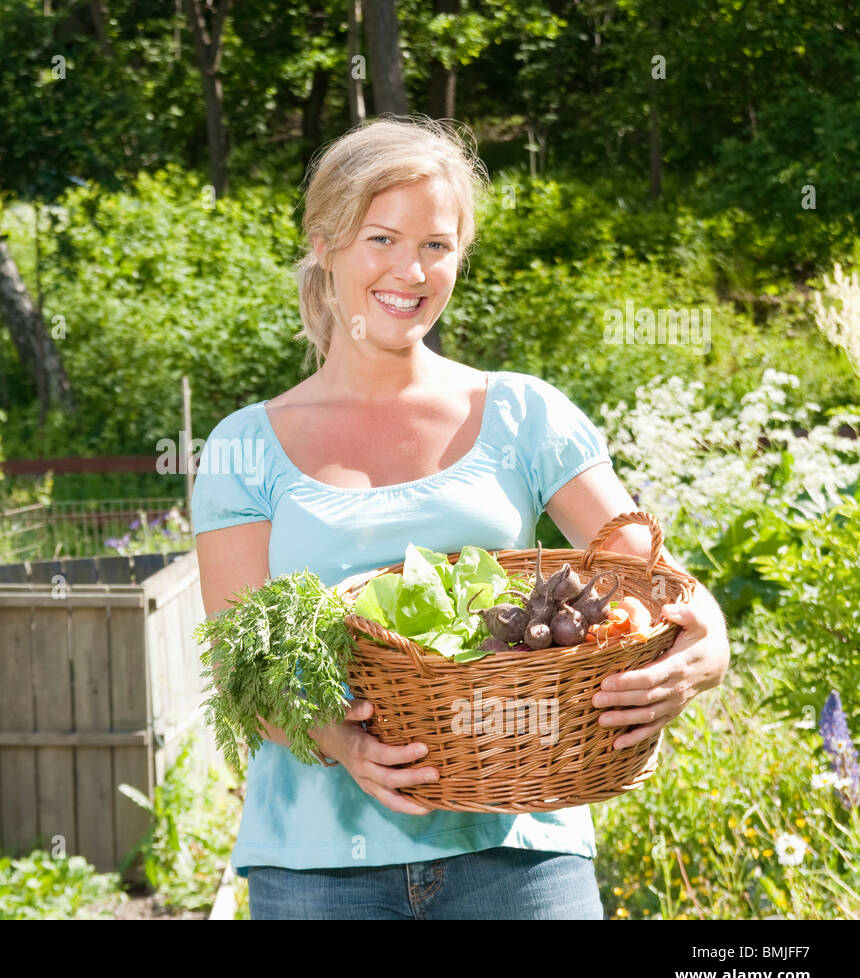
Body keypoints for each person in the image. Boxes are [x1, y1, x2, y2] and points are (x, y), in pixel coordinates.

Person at [190, 114, 731, 920]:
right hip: (316, 870)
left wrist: (705, 651)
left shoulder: (523, 414)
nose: (410, 271)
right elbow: (245, 670)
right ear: (325, 239)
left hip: (517, 851)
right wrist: (342, 742)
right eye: (382, 238)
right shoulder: (245, 445)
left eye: (437, 246)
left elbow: (655, 578)